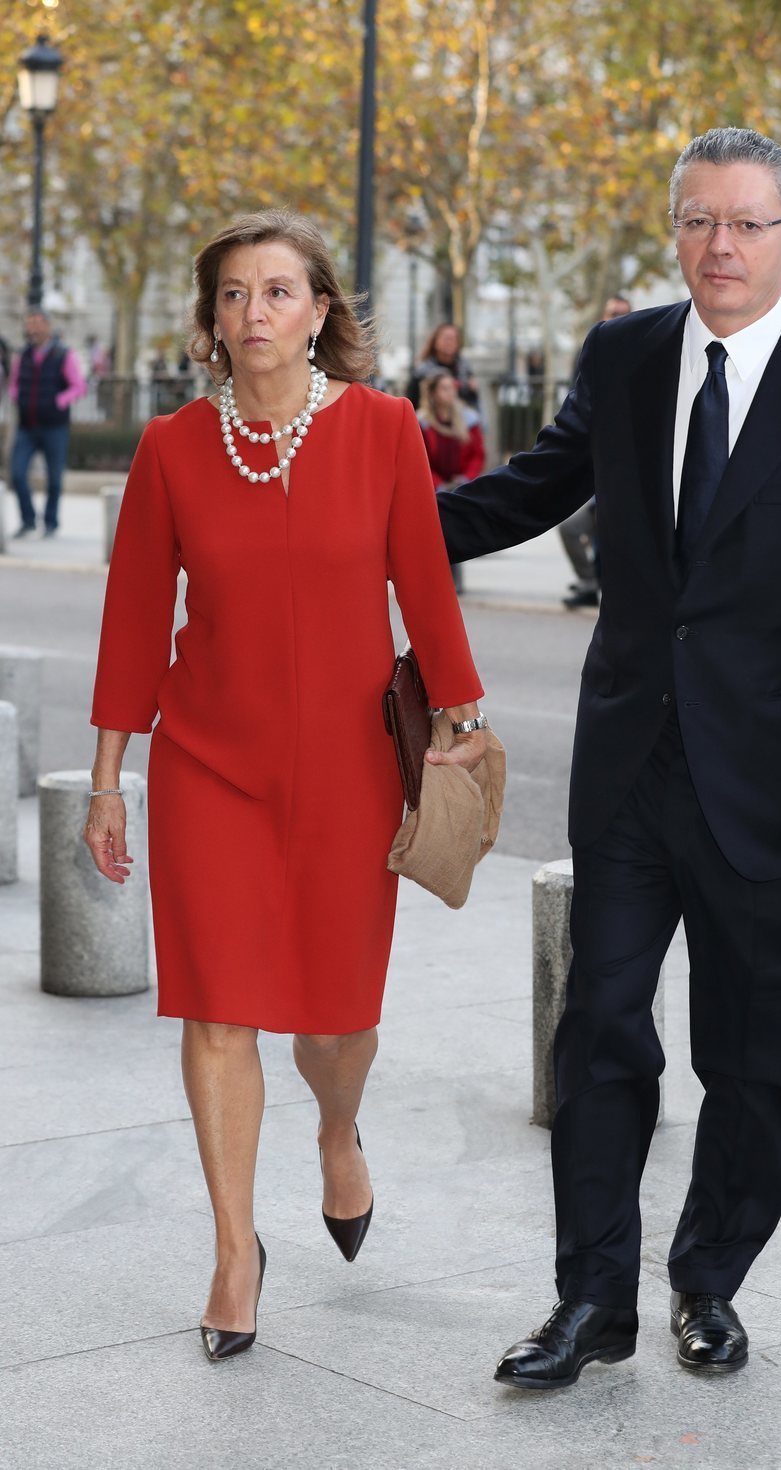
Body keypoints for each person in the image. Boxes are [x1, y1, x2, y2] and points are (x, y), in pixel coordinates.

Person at [437, 126, 781, 1388]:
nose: (720, 244)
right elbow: (529, 491)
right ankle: (590, 1304)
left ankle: (706, 1281)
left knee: (755, 1060)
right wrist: (363, 517)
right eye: (698, 220)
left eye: (746, 223)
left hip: (777, 790)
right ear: (674, 230)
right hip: (627, 775)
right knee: (598, 1033)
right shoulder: (620, 355)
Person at [84, 209, 489, 1363]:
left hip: (353, 775)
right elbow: (128, 625)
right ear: (212, 321)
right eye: (232, 296)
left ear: (320, 313)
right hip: (211, 766)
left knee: (336, 1019)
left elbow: (424, 585)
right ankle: (230, 1253)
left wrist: (461, 719)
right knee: (218, 1011)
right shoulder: (169, 448)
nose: (252, 313)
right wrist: (111, 778)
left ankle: (340, 1127)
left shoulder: (382, 430)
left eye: (276, 292)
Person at [560, 295, 633, 609]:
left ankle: (611, 591)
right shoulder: (593, 354)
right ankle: (589, 583)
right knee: (570, 527)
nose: (616, 318)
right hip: (594, 477)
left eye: (623, 314)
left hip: (628, 480)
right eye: (611, 313)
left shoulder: (645, 356)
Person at [8, 310, 87, 538]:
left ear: (47, 326)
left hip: (54, 427)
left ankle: (50, 522)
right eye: (29, 324)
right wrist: (16, 397)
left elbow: (79, 386)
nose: (32, 328)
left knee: (54, 478)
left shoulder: (63, 355)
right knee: (18, 473)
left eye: (36, 323)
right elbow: (13, 384)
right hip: (27, 426)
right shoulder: (21, 356)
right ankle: (28, 520)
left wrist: (59, 401)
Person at [418, 370, 486, 593]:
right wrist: (437, 483)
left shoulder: (468, 419)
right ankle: (439, 577)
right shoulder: (422, 422)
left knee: (452, 525)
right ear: (434, 393)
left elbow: (477, 454)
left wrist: (467, 478)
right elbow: (421, 458)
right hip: (433, 485)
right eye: (444, 388)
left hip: (461, 483)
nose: (450, 393)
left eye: (452, 388)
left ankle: (453, 578)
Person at [406, 322, 479, 411]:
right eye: (446, 338)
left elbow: (473, 402)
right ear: (435, 342)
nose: (450, 342)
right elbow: (412, 401)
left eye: (454, 339)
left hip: (459, 419)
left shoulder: (464, 369)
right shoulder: (422, 371)